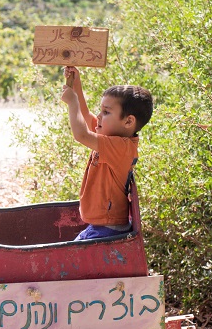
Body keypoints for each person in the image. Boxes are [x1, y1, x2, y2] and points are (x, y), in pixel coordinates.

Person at [60, 66, 153, 240]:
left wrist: (72, 102)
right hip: (101, 226)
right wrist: (76, 83)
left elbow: (81, 134)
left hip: (109, 229)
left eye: (106, 112)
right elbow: (86, 116)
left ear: (128, 121)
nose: (99, 116)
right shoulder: (112, 136)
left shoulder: (122, 147)